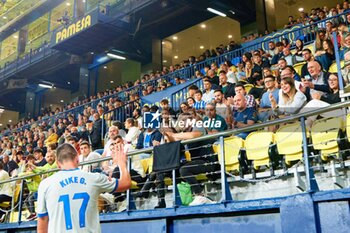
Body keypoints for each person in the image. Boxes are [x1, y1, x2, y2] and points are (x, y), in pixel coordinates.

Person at [37, 143, 131, 233]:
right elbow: (126, 183)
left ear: (57, 163)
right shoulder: (94, 178)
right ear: (77, 159)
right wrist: (122, 163)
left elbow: (42, 220)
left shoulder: (45, 184)